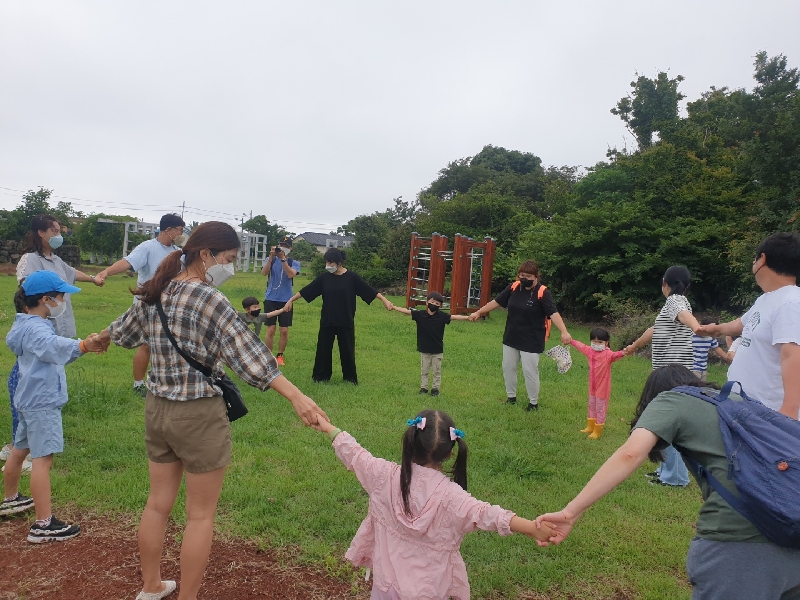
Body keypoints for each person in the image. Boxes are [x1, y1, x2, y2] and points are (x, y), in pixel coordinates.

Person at [94, 221, 328, 600]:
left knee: (157, 506)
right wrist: (298, 397)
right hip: (199, 415)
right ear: (206, 254)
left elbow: (122, 331)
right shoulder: (210, 298)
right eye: (228, 258)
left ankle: (151, 586)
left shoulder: (155, 288)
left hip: (157, 410)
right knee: (200, 516)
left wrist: (96, 340)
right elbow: (250, 357)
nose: (229, 267)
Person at [534, 365, 800, 600]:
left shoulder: (672, 399)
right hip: (792, 526)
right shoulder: (736, 400)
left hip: (740, 545)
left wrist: (570, 512)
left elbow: (630, 454)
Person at [312, 409, 555, 599]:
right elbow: (486, 514)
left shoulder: (384, 475)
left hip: (386, 586)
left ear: (410, 442)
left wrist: (329, 428)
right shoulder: (453, 497)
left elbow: (356, 455)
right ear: (450, 453)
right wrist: (532, 528)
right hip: (427, 591)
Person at [0, 271, 105, 542]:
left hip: (28, 399)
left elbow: (50, 349)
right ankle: (43, 524)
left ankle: (10, 499)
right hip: (42, 402)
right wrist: (84, 345)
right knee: (43, 459)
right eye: (61, 296)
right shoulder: (37, 329)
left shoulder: (24, 324)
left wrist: (81, 346)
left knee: (19, 449)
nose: (63, 301)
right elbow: (53, 347)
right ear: (45, 299)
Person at [697, 233, 800, 420]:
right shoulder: (767, 299)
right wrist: (715, 330)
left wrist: (789, 410)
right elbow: (740, 324)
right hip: (745, 406)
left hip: (767, 414)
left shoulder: (791, 303)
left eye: (755, 258)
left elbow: (793, 354)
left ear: (762, 259)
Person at [625, 265, 703, 487]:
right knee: (663, 422)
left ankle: (675, 477)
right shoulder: (676, 304)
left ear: (664, 283)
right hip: (670, 373)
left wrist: (698, 328)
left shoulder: (675, 301)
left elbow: (685, 316)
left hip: (672, 374)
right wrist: (634, 346)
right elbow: (654, 330)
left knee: (668, 423)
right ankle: (666, 470)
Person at [93, 213, 186, 397]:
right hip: (147, 304)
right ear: (169, 230)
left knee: (160, 343)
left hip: (169, 306)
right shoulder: (148, 247)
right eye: (180, 230)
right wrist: (106, 272)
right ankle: (138, 385)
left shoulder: (179, 252)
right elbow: (128, 262)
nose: (182, 234)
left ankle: (103, 337)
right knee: (146, 344)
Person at [468, 260, 572, 411]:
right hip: (512, 336)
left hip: (532, 339)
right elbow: (497, 302)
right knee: (508, 367)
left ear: (536, 276)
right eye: (521, 275)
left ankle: (533, 403)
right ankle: (511, 397)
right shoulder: (514, 287)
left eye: (528, 276)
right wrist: (479, 312)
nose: (524, 278)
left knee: (530, 371)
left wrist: (564, 331)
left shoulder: (542, 292)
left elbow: (553, 313)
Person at [284, 248, 393, 385]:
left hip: (345, 319)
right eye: (327, 262)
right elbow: (307, 290)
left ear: (339, 262)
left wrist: (385, 300)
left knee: (347, 350)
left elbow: (369, 290)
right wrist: (291, 300)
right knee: (323, 349)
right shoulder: (324, 278)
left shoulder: (352, 278)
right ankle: (321, 377)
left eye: (331, 263)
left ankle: (349, 378)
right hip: (328, 319)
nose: (328, 265)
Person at [16, 214, 104, 338]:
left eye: (59, 232)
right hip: (42, 327)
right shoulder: (30, 259)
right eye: (54, 231)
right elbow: (25, 289)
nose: (59, 236)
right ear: (41, 233)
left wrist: (93, 279)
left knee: (62, 347)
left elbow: (72, 273)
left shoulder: (56, 260)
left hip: (61, 322)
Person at [389, 291, 470, 396]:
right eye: (432, 302)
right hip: (424, 349)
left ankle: (435, 389)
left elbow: (454, 317)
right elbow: (407, 311)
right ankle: (424, 388)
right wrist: (394, 307)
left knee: (437, 371)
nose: (434, 305)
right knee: (424, 370)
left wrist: (468, 317)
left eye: (437, 303)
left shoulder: (442, 316)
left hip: (437, 350)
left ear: (440, 306)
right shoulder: (420, 315)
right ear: (427, 303)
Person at [570, 328, 627, 439]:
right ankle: (590, 426)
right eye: (594, 341)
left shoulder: (608, 354)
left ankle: (597, 430)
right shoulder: (589, 351)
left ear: (606, 343)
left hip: (603, 387)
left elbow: (616, 355)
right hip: (592, 385)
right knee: (591, 405)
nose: (596, 344)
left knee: (600, 408)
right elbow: (581, 346)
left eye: (600, 342)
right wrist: (571, 341)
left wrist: (624, 352)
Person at [1, 288, 32, 475]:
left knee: (22, 419)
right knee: (23, 420)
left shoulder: (22, 324)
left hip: (21, 375)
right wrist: (82, 346)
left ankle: (13, 450)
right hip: (25, 379)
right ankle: (18, 461)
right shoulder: (31, 328)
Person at [261, 237, 300, 366]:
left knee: (284, 330)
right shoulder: (271, 259)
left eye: (286, 246)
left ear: (290, 248)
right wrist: (271, 257)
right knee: (271, 329)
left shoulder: (294, 262)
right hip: (270, 298)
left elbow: (290, 274)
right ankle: (269, 357)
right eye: (281, 245)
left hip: (286, 300)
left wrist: (283, 259)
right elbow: (264, 273)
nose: (283, 248)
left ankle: (280, 355)